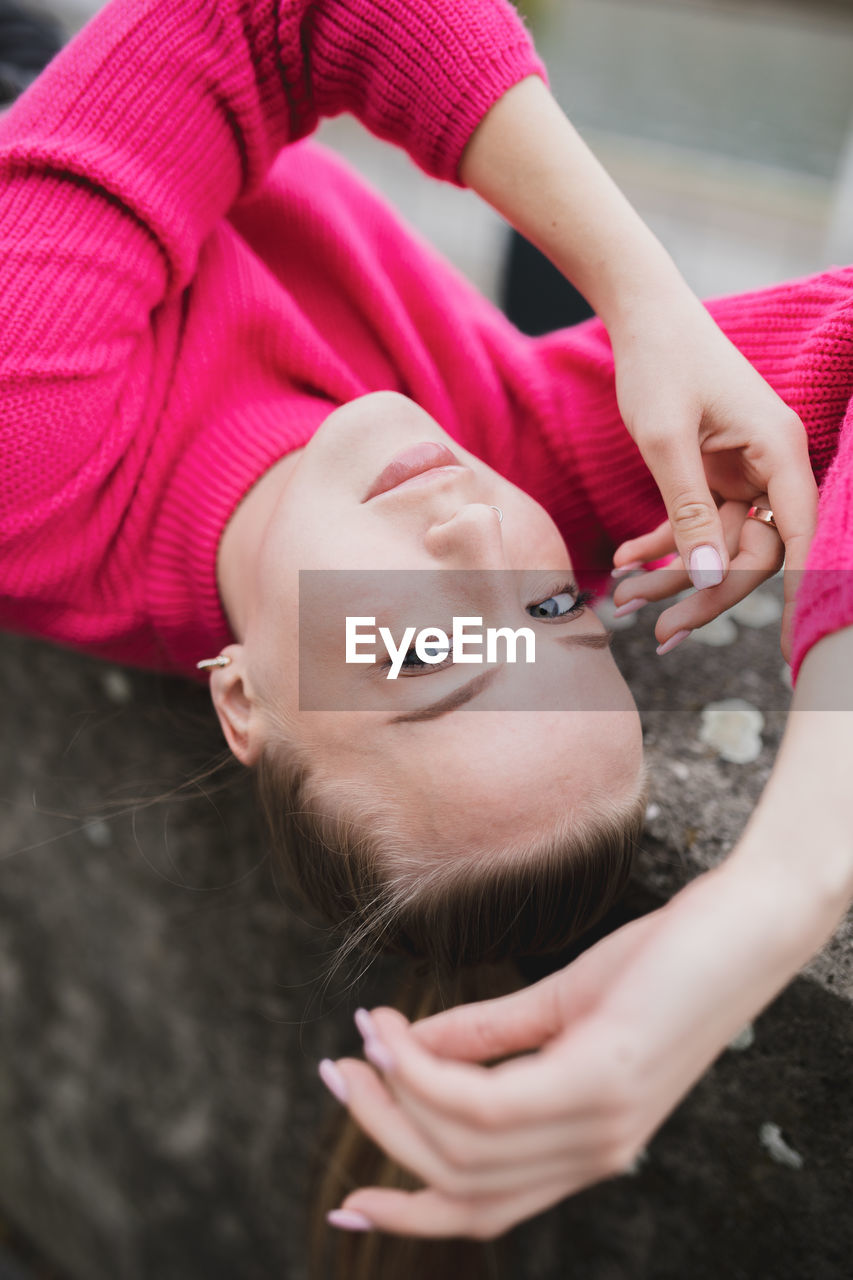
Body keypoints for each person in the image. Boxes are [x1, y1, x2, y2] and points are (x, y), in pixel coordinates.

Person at [1, 0, 851, 1270]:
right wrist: (790, 879)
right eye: (559, 612)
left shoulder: (34, 459)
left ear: (242, 704)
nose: (474, 544)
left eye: (413, 658)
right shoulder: (505, 477)